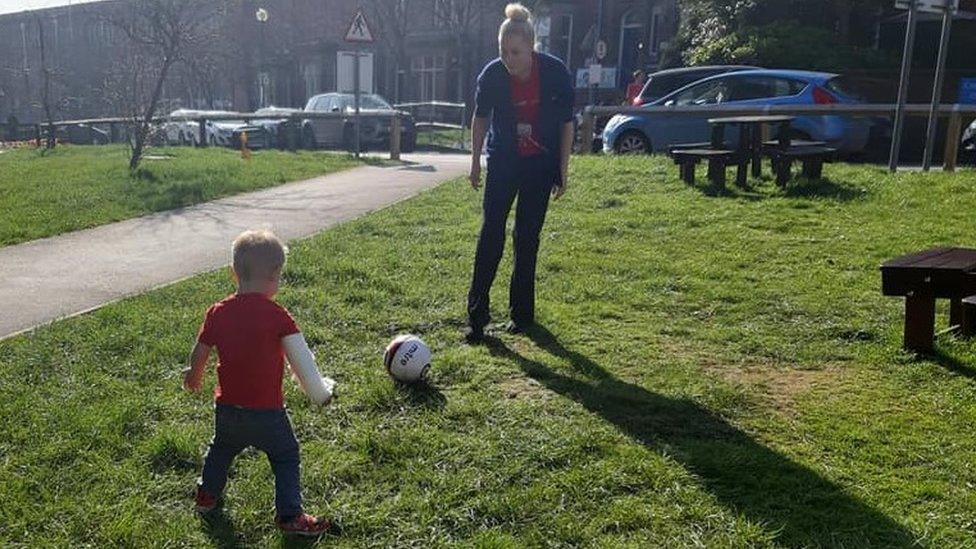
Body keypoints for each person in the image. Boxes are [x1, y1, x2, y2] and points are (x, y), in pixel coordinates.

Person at [182, 229, 332, 536]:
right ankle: (290, 515)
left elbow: (201, 351)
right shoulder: (279, 316)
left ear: (234, 273)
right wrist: (320, 391)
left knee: (221, 449)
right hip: (268, 412)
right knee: (286, 455)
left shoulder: (218, 312)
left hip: (227, 408)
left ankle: (207, 495)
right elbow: (302, 363)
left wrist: (193, 377)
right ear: (275, 275)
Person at [465, 2, 575, 343]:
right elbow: (480, 118)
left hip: (539, 166)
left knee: (527, 239)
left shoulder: (555, 73)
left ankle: (522, 317)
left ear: (531, 48)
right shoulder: (492, 75)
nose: (508, 59)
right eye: (503, 51)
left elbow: (566, 123)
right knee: (491, 235)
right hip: (503, 161)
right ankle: (477, 317)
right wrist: (474, 162)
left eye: (515, 52)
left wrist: (562, 170)